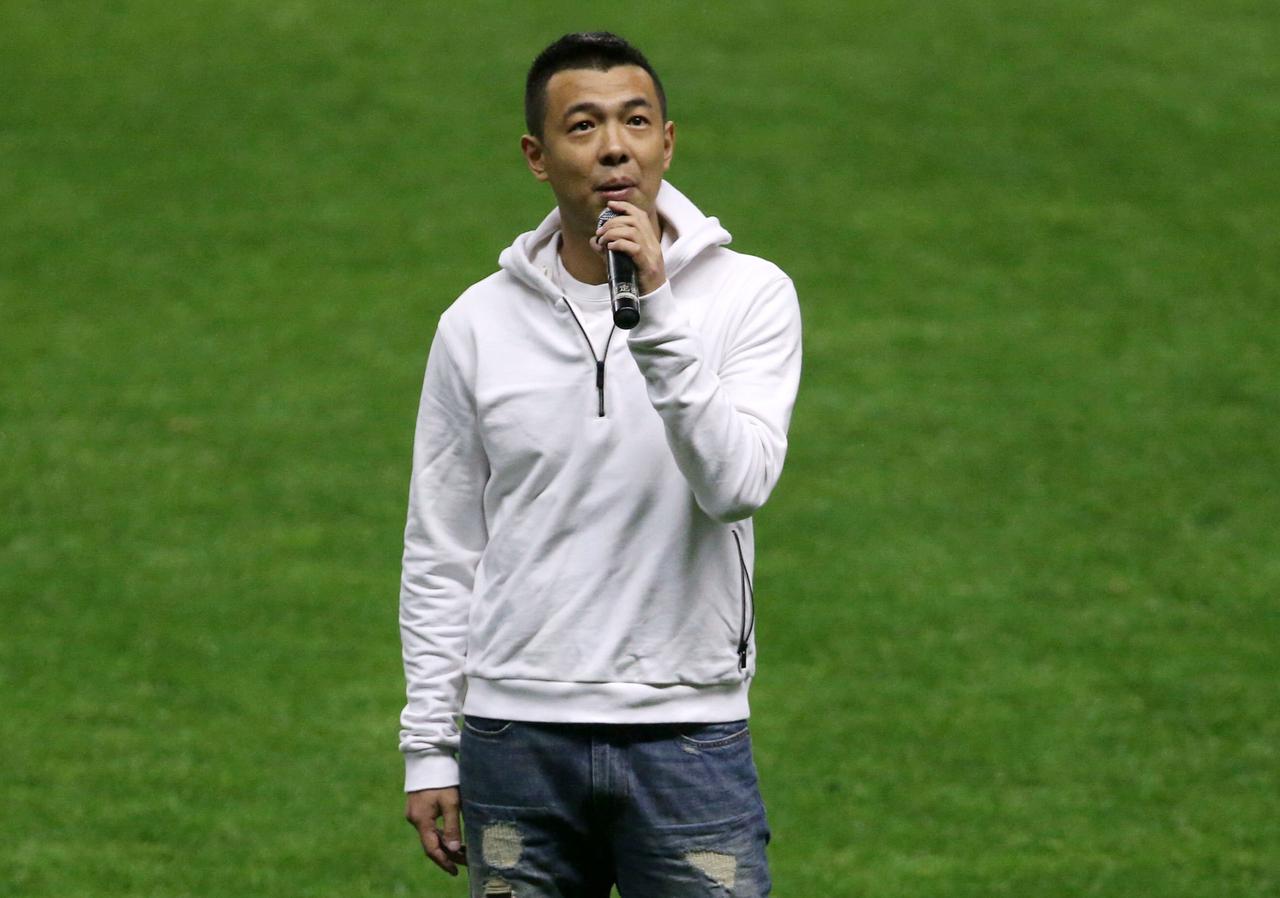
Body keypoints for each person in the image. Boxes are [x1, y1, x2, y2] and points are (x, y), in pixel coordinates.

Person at [398, 31, 802, 898]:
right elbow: (442, 546)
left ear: (668, 143)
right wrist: (430, 745)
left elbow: (736, 485)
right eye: (583, 126)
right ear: (537, 157)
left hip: (687, 734)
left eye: (636, 121)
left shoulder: (751, 297)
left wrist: (656, 310)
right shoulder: (475, 324)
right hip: (514, 738)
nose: (615, 146)